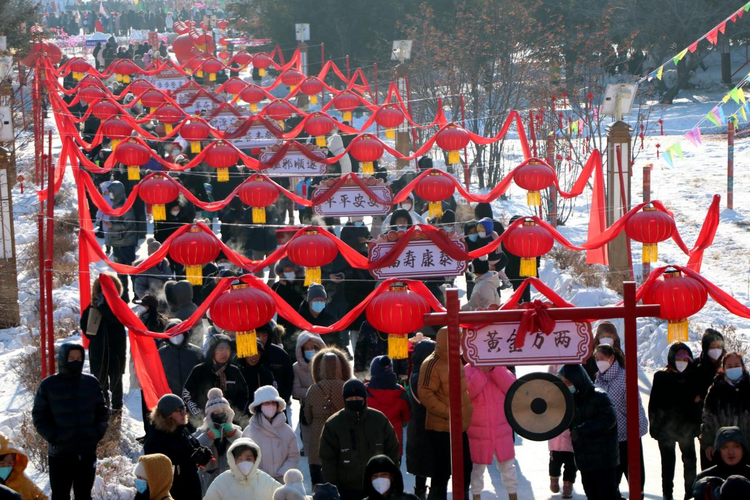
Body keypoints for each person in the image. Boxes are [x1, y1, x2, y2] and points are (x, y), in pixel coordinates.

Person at [32, 343, 109, 500]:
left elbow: (102, 411)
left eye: (79, 358)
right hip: (60, 454)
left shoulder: (91, 383)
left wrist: (95, 434)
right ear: (63, 359)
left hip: (86, 452)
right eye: (71, 358)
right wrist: (55, 437)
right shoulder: (48, 385)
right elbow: (40, 417)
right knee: (60, 495)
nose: (75, 361)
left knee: (84, 494)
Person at [319, 379, 400, 500]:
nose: (354, 400)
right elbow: (327, 459)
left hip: (377, 487)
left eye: (358, 396)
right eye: (350, 398)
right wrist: (333, 487)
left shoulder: (379, 420)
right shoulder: (333, 425)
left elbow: (392, 450)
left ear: (364, 397)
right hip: (346, 489)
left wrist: (392, 479)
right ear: (344, 399)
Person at [418, 327, 473, 500]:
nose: (459, 342)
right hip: (440, 427)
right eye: (456, 339)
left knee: (465, 468)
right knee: (442, 472)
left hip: (459, 426)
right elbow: (425, 394)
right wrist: (449, 412)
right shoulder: (431, 363)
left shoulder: (455, 360)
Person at [649, 342, 702, 500]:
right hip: (666, 429)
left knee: (690, 461)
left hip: (687, 429)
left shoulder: (693, 377)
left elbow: (698, 404)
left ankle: (690, 492)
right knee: (667, 463)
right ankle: (667, 493)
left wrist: (697, 426)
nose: (682, 362)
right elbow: (654, 404)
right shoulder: (661, 377)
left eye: (686, 359)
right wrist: (655, 427)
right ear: (671, 358)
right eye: (679, 358)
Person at [593, 344, 648, 497]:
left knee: (635, 477)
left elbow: (635, 406)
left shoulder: (624, 377)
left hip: (628, 436)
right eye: (596, 359)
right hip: (609, 438)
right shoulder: (599, 378)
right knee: (610, 481)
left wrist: (634, 430)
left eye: (602, 359)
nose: (599, 362)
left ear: (611, 358)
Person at [558, 364, 619, 500]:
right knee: (592, 494)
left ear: (578, 379)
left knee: (607, 495)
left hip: (603, 459)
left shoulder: (599, 395)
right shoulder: (571, 399)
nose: (567, 386)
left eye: (569, 382)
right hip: (584, 460)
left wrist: (582, 430)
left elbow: (609, 420)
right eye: (564, 383)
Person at [143, 394, 213, 500]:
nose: (184, 413)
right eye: (179, 410)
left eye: (184, 408)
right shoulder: (155, 440)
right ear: (168, 415)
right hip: (172, 494)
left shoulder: (183, 430)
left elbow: (194, 447)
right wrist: (189, 462)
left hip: (191, 490)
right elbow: (160, 473)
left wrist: (203, 455)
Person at [465, 364, 518, 500]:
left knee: (508, 467)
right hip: (478, 429)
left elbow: (513, 389)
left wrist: (494, 369)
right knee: (477, 469)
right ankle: (476, 496)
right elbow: (469, 392)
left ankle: (513, 496)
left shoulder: (501, 367)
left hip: (502, 428)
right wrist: (481, 372)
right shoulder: (467, 369)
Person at [304, 348, 352, 486]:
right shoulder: (346, 387)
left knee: (319, 482)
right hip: (341, 437)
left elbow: (308, 417)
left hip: (317, 438)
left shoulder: (313, 389)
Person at [80, 273, 127, 411]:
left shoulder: (118, 307)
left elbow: (117, 320)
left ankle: (117, 412)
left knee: (116, 384)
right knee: (100, 384)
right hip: (98, 352)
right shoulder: (92, 307)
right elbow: (86, 329)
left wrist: (103, 307)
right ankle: (102, 411)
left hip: (116, 352)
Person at [183, 334, 249, 427]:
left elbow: (243, 396)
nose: (224, 353)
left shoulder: (234, 371)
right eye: (220, 350)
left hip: (230, 423)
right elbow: (187, 395)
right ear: (212, 351)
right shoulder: (199, 370)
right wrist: (200, 416)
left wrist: (233, 417)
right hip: (203, 422)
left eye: (227, 350)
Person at [701, 351, 750, 466]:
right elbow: (707, 419)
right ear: (723, 369)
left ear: (742, 367)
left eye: (736, 365)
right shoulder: (715, 390)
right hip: (722, 451)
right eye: (729, 366)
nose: (733, 369)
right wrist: (708, 444)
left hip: (748, 449)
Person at [243, 386, 300, 482]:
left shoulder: (287, 431)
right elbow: (245, 458)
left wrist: (282, 473)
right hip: (258, 483)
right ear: (259, 406)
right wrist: (262, 476)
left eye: (273, 403)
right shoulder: (249, 432)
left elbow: (293, 456)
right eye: (267, 403)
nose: (271, 406)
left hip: (282, 483)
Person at [194, 389, 242, 495]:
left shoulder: (236, 430)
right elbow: (192, 448)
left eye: (224, 411)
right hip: (209, 479)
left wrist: (233, 435)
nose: (221, 414)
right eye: (216, 412)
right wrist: (207, 437)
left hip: (232, 479)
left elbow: (247, 446)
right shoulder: (202, 431)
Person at [406, 339, 436, 499]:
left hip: (420, 427)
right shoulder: (419, 376)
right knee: (424, 465)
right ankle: (422, 494)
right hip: (423, 427)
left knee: (425, 465)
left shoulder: (417, 372)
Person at [203, 438, 280, 499]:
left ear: (256, 459)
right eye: (239, 459)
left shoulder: (265, 480)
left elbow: (283, 494)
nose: (244, 462)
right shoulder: (222, 481)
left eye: (248, 459)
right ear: (233, 460)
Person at [365, 356, 410, 455]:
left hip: (370, 444)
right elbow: (406, 419)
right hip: (394, 443)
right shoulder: (401, 393)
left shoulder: (365, 393)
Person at [697, 329, 727, 469]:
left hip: (730, 429)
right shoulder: (697, 368)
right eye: (712, 347)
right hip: (707, 430)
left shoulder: (730, 365)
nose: (716, 350)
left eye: (719, 347)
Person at [292, 332, 325, 457]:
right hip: (306, 406)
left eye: (313, 347)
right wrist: (315, 391)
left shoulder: (327, 364)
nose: (310, 350)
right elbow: (295, 390)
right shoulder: (296, 368)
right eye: (307, 348)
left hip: (325, 405)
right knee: (307, 432)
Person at [106, 181, 138, 301]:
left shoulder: (125, 205)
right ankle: (124, 296)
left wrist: (112, 226)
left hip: (126, 243)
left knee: (131, 270)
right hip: (118, 243)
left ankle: (137, 294)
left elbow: (129, 224)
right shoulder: (115, 204)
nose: (110, 195)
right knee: (120, 272)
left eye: (111, 192)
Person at [256, 322, 295, 412]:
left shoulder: (280, 354)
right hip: (253, 408)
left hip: (277, 407)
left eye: (264, 335)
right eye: (257, 335)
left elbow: (289, 379)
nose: (261, 339)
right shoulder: (246, 354)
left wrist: (281, 402)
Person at [0, 433, 46, 499]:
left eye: (10, 463)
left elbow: (41, 497)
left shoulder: (22, 481)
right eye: (2, 463)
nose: (6, 467)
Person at [236, 340, 276, 414]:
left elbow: (273, 397)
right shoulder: (236, 372)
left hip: (261, 415)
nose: (254, 357)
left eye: (258, 353)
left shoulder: (266, 373)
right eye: (251, 353)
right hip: (240, 416)